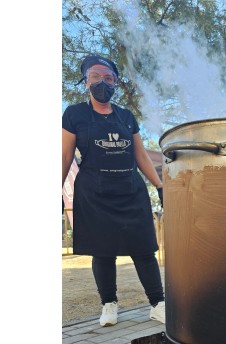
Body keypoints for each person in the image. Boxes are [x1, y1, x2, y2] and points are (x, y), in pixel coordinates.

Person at [62, 54, 165, 327]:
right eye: (95, 76)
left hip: (130, 189)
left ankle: (158, 304)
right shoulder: (74, 114)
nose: (102, 82)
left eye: (109, 78)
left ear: (116, 83)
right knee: (103, 250)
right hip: (94, 192)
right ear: (86, 81)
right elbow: (64, 156)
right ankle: (109, 304)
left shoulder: (127, 116)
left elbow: (140, 155)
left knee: (144, 248)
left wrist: (160, 185)